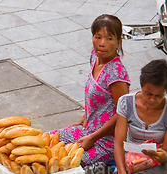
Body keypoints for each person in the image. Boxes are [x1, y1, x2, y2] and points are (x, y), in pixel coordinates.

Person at [50, 14, 130, 165]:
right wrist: (86, 115)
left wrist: (93, 138)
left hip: (106, 142)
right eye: (98, 37)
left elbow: (122, 113)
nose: (102, 43)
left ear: (119, 41)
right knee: (45, 140)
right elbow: (96, 97)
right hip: (88, 129)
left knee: (65, 164)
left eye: (109, 39)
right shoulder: (94, 57)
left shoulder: (116, 74)